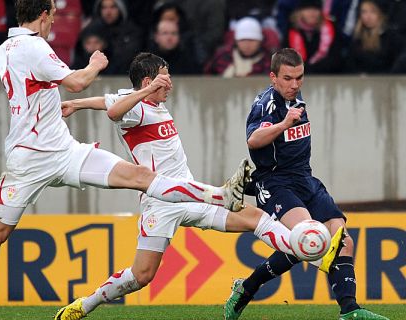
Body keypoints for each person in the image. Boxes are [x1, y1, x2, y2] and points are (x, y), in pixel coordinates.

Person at [0, 0, 248, 292]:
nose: (53, 23)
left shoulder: (6, 49)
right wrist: (95, 63)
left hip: (65, 152)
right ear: (43, 16)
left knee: (140, 176)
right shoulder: (35, 47)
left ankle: (217, 195)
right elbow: (77, 82)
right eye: (53, 16)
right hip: (28, 161)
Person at [54, 52, 341, 320]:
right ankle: (86, 304)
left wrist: (76, 104)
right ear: (148, 81)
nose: (171, 84)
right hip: (161, 203)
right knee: (142, 275)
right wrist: (143, 92)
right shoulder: (137, 108)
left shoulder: (147, 102)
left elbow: (107, 100)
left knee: (255, 218)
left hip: (190, 194)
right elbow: (114, 111)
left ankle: (307, 249)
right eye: (165, 78)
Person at [223, 48, 389, 320]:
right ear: (273, 77)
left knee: (343, 241)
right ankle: (247, 287)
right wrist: (284, 124)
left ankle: (350, 311)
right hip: (276, 183)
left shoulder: (294, 96)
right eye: (288, 78)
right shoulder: (267, 103)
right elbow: (253, 140)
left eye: (299, 78)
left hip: (305, 179)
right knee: (308, 236)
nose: (295, 84)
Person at [344, 0, 404, 74]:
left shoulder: (393, 38)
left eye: (373, 12)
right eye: (364, 12)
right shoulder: (357, 38)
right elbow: (350, 65)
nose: (368, 17)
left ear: (381, 14)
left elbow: (396, 67)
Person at [283, 0, 343, 74]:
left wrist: (312, 69)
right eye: (307, 9)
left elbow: (335, 59)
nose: (312, 13)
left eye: (315, 9)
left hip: (326, 77)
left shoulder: (332, 29)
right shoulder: (291, 30)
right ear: (299, 12)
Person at [204, 17, 273, 77]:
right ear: (236, 41)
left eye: (251, 40)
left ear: (260, 41)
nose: (247, 44)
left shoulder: (269, 60)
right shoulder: (223, 56)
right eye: (242, 40)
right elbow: (207, 77)